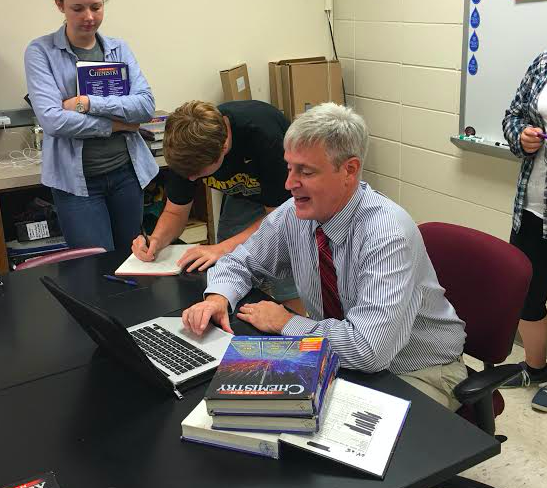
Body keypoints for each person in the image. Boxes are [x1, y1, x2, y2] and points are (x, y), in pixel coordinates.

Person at [182, 103, 468, 411]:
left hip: (416, 371)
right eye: (289, 167)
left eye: (305, 171)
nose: (289, 184)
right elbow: (239, 262)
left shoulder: (387, 235)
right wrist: (217, 298)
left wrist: (286, 323)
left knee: (331, 444)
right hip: (341, 356)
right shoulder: (296, 213)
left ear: (349, 170)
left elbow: (369, 349)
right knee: (256, 413)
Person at [131, 100, 304, 314]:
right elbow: (176, 211)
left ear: (224, 146)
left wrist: (221, 248)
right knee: (228, 268)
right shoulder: (186, 149)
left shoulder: (264, 135)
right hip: (241, 194)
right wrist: (156, 241)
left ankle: (293, 326)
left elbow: (278, 219)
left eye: (199, 173)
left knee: (285, 267)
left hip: (283, 199)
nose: (192, 179)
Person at [24, 0, 158, 251]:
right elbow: (53, 120)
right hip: (76, 186)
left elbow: (145, 106)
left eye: (96, 7)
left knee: (131, 262)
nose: (88, 17)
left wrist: (86, 102)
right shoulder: (41, 52)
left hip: (126, 176)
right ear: (60, 5)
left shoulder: (119, 49)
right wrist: (117, 126)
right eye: (78, 8)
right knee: (94, 271)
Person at [502, 51, 547, 412]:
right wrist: (523, 137)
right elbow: (513, 115)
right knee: (527, 295)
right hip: (530, 208)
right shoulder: (543, 62)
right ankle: (535, 368)